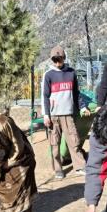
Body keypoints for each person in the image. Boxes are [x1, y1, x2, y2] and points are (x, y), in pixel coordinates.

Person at [41, 46, 89, 179]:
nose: (57, 62)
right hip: (54, 115)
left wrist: (83, 107)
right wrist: (46, 114)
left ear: (64, 58)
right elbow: (44, 96)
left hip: (68, 114)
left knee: (74, 140)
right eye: (55, 60)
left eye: (59, 59)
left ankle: (79, 166)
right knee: (54, 143)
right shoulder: (48, 75)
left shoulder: (71, 73)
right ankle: (58, 169)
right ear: (52, 60)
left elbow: (76, 93)